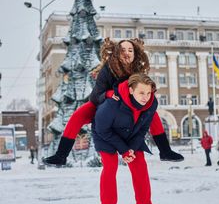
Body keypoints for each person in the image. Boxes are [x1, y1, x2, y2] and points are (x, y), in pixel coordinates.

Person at [43, 38, 184, 167]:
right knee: (77, 116)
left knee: (153, 115)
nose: (127, 53)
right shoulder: (107, 69)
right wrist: (110, 94)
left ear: (135, 54)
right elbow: (95, 96)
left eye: (130, 50)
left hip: (129, 107)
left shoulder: (138, 71)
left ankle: (165, 151)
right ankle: (61, 155)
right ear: (117, 53)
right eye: (123, 50)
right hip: (104, 104)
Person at [92, 73, 162, 204]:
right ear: (131, 90)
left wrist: (130, 149)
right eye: (141, 93)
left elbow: (143, 129)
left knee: (140, 168)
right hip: (106, 135)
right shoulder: (111, 104)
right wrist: (123, 150)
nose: (146, 97)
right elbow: (102, 129)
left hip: (131, 135)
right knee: (110, 167)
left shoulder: (151, 104)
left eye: (149, 92)